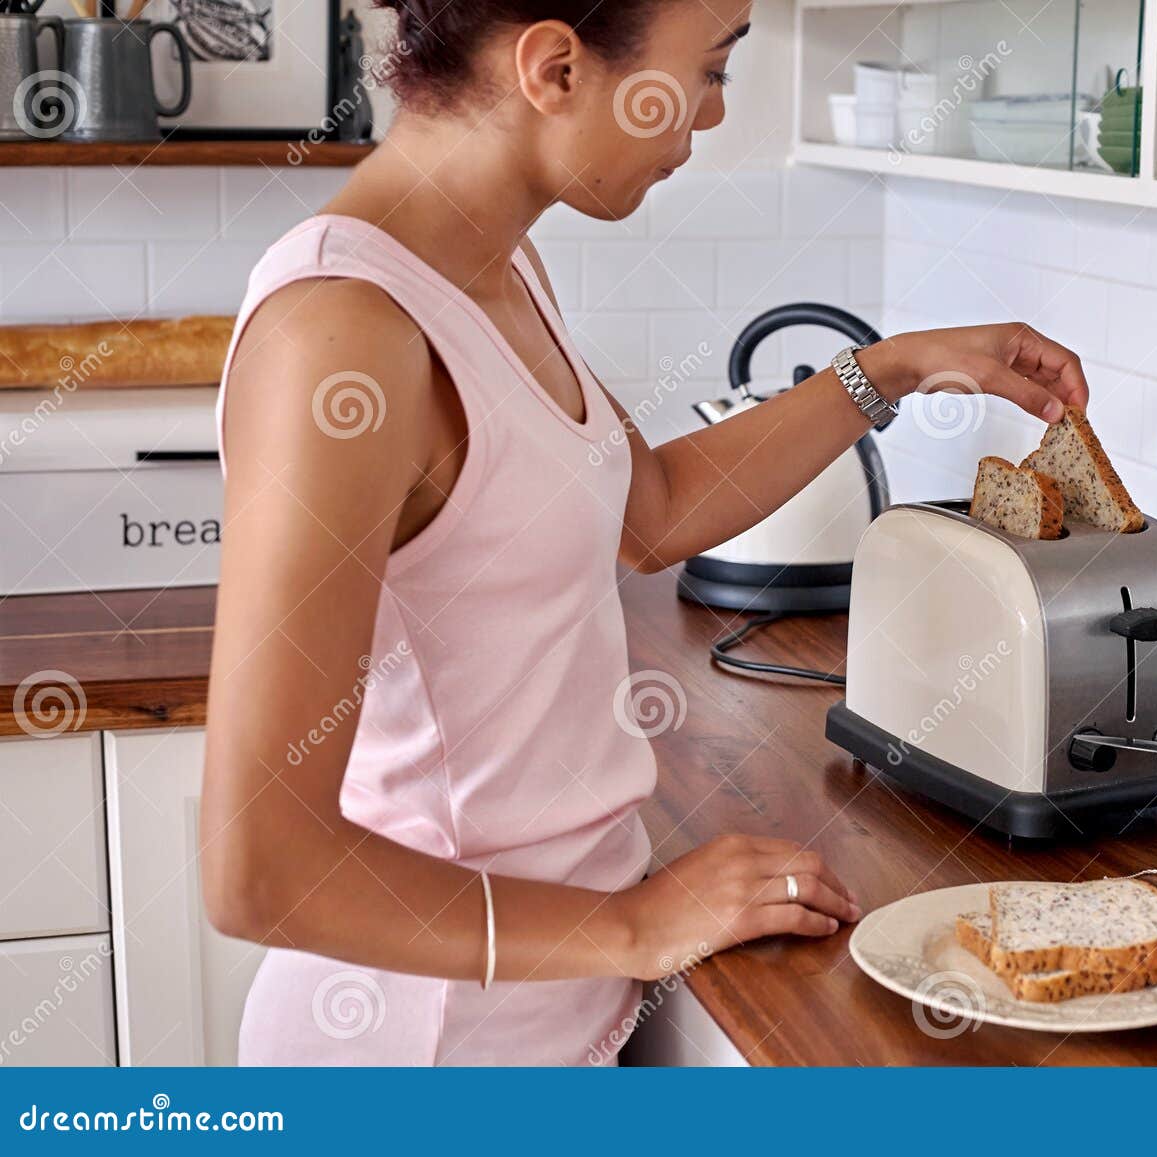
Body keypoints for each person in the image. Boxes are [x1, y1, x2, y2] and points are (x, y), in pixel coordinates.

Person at [202, 0, 1090, 1065]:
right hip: (420, 1048)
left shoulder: (492, 266)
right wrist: (631, 923)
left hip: (552, 1022)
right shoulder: (340, 336)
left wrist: (890, 368)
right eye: (711, 70)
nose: (712, 115)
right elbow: (260, 867)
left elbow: (652, 507)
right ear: (556, 68)